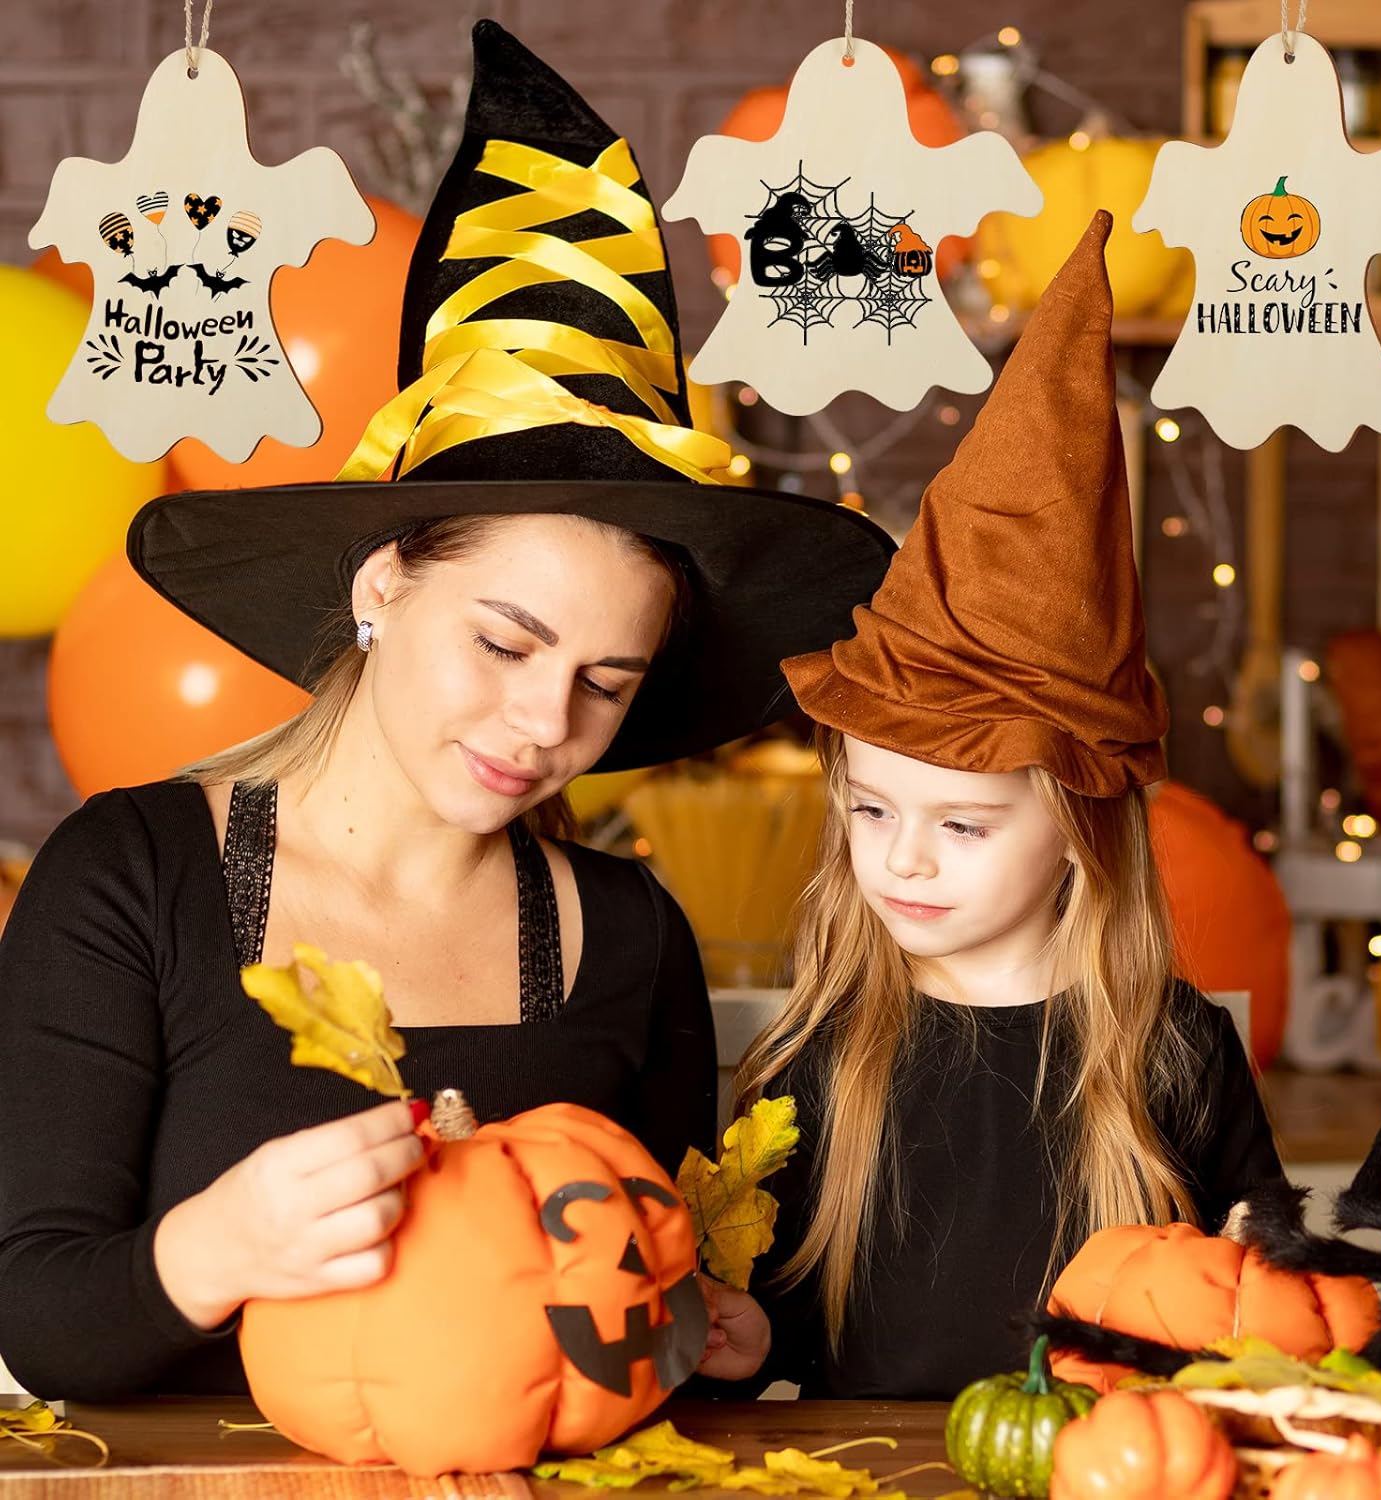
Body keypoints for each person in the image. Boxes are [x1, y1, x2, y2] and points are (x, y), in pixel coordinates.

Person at [0, 21, 892, 1402]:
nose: (546, 721)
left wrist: (720, 1333)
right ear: (382, 586)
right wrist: (216, 1247)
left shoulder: (627, 936)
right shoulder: (131, 883)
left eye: (609, 681)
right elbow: (39, 1319)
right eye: (505, 641)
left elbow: (639, 1335)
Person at [693, 214, 1286, 1395]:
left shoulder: (1173, 1054)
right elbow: (785, 1331)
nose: (903, 859)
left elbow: (1252, 1306)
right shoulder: (815, 1058)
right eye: (870, 812)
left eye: (962, 824)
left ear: (1077, 832)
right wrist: (748, 1338)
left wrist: (1265, 1292)